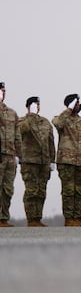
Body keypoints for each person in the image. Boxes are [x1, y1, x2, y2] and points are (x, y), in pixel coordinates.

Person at [53, 94, 81, 227]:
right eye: (75, 103)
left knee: (79, 192)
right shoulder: (62, 119)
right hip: (67, 161)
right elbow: (58, 123)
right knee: (68, 191)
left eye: (78, 103)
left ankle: (77, 217)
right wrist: (68, 109)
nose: (77, 105)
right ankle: (69, 218)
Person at [17, 96, 55, 227]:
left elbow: (50, 142)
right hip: (29, 162)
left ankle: (38, 218)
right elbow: (22, 131)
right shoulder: (22, 121)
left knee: (41, 191)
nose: (37, 106)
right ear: (28, 106)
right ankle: (31, 219)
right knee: (31, 191)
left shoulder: (45, 122)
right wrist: (31, 116)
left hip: (44, 162)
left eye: (38, 104)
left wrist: (52, 160)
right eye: (34, 104)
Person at [0, 82, 20, 227]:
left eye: (4, 90)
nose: (3, 92)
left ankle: (3, 218)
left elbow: (17, 135)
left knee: (8, 188)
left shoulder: (12, 113)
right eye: (1, 90)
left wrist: (18, 154)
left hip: (10, 155)